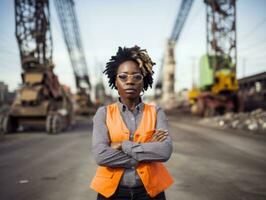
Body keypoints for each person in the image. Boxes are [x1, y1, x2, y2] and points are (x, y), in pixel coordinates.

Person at [90, 46, 174, 200]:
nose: (130, 81)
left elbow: (164, 151)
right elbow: (101, 156)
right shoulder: (103, 113)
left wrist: (122, 145)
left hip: (150, 193)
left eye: (137, 77)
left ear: (144, 81)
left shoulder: (156, 112)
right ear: (115, 81)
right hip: (111, 193)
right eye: (123, 77)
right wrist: (148, 151)